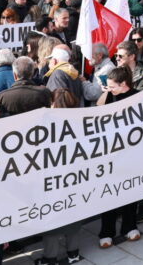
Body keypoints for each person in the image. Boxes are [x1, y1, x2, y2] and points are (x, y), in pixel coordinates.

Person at [34, 89, 82, 265]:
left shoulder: (44, 122)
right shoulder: (79, 120)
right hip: (74, 176)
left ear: (53, 102)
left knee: (52, 215)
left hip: (51, 178)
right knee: (73, 210)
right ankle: (73, 252)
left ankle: (50, 257)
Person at [97, 67, 141, 248]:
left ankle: (129, 226)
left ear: (123, 84)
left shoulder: (138, 96)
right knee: (109, 192)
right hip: (110, 153)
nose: (109, 89)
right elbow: (97, 111)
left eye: (112, 86)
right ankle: (106, 231)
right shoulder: (108, 96)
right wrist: (106, 93)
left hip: (131, 153)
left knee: (130, 189)